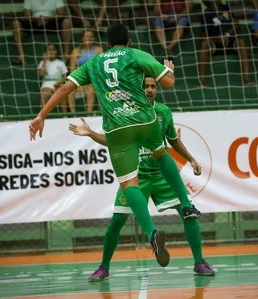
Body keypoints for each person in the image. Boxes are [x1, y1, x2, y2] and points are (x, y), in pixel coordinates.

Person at [29, 23, 201, 268]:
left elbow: (66, 88)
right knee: (161, 151)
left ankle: (152, 233)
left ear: (107, 44)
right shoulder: (136, 54)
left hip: (117, 128)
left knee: (129, 185)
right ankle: (186, 205)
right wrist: (167, 70)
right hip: (145, 119)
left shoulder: (94, 62)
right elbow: (169, 83)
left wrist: (41, 115)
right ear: (128, 42)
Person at [70, 76, 215, 281]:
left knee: (188, 212)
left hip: (161, 175)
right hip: (136, 177)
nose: (149, 89)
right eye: (145, 86)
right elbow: (113, 142)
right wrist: (91, 133)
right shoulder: (125, 112)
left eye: (152, 86)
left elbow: (173, 140)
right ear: (137, 89)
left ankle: (200, 262)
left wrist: (190, 159)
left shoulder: (163, 112)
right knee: (116, 222)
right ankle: (104, 267)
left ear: (157, 90)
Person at [198, 0, 254, 87]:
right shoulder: (206, 14)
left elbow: (236, 24)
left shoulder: (226, 8)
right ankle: (201, 82)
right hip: (215, 44)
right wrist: (218, 38)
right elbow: (203, 36)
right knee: (204, 44)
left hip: (231, 41)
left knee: (241, 42)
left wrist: (226, 35)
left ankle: (246, 80)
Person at [12, 0, 72, 65]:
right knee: (16, 23)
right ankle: (21, 56)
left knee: (67, 22)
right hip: (35, 22)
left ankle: (66, 55)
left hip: (51, 21)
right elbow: (27, 15)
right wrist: (38, 19)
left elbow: (61, 14)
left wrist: (47, 18)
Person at [68, 30, 103, 112]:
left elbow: (101, 68)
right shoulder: (76, 51)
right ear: (82, 38)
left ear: (94, 39)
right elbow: (72, 70)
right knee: (69, 91)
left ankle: (89, 114)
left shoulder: (98, 50)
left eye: (90, 36)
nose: (88, 38)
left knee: (90, 89)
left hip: (94, 79)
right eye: (86, 36)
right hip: (80, 80)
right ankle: (73, 115)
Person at [38, 44, 68, 110]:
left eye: (53, 50)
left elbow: (65, 77)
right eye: (49, 50)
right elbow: (41, 74)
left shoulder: (60, 63)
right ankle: (42, 115)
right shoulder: (42, 62)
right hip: (47, 83)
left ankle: (64, 115)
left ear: (57, 51)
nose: (51, 52)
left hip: (58, 82)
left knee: (62, 93)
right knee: (44, 95)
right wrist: (45, 61)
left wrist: (59, 82)